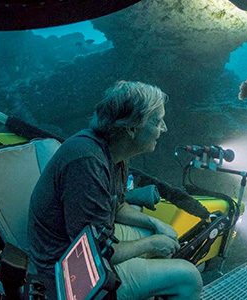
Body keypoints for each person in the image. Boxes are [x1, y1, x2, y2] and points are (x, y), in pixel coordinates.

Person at [27, 81, 204, 299]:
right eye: (157, 121)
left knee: (164, 236)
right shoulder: (86, 162)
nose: (164, 128)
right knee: (189, 277)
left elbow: (117, 204)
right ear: (132, 127)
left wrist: (154, 224)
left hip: (89, 244)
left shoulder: (116, 152)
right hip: (67, 271)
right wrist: (151, 244)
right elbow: (94, 253)